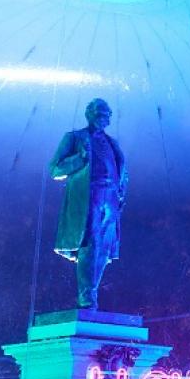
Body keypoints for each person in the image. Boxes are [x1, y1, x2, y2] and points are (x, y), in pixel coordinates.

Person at [48, 98, 128, 309]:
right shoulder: (74, 138)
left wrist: (120, 195)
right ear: (89, 115)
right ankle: (87, 296)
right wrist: (79, 160)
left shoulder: (113, 143)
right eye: (100, 114)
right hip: (88, 196)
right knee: (89, 244)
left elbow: (122, 171)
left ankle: (91, 292)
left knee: (105, 248)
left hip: (110, 197)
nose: (104, 119)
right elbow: (55, 169)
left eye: (107, 115)